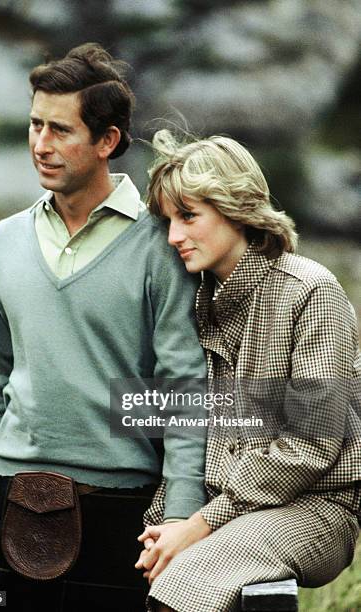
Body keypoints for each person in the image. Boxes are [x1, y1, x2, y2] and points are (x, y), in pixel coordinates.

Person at [0, 47, 208, 611]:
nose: (41, 144)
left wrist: (177, 514)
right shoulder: (2, 241)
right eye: (35, 124)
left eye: (60, 130)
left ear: (107, 141)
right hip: (7, 494)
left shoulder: (160, 245)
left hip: (122, 503)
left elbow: (186, 387)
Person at [135, 129, 361, 612]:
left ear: (235, 208)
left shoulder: (310, 292)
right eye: (169, 220)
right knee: (122, 559)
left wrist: (199, 524)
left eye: (189, 216)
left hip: (316, 508)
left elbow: (311, 444)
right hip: (223, 505)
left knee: (186, 580)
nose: (174, 236)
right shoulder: (199, 297)